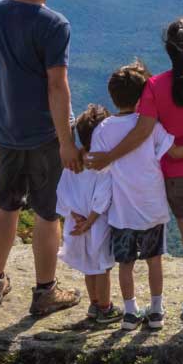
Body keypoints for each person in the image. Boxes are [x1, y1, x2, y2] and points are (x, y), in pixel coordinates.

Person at [86, 18, 183, 324]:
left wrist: (109, 157)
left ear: (168, 49)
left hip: (180, 177)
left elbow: (142, 132)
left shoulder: (155, 87)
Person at [0, 0, 82, 317]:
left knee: (6, 205)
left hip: (6, 128)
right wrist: (66, 141)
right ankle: (44, 292)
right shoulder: (54, 24)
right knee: (46, 212)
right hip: (43, 133)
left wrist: (4, 99)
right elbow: (57, 86)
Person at [56, 104, 120, 324]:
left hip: (75, 223)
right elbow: (103, 198)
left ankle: (93, 305)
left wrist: (75, 216)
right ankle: (105, 307)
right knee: (102, 267)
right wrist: (90, 222)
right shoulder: (104, 165)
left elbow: (62, 192)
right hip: (97, 224)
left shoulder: (73, 163)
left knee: (88, 267)